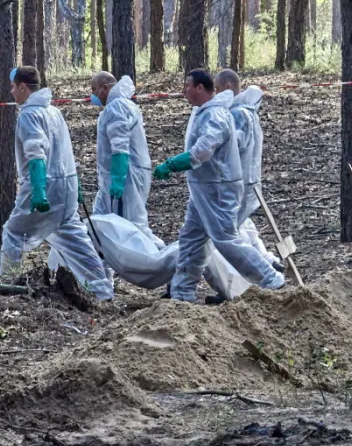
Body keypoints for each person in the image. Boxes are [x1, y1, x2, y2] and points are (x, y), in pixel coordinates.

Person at [153, 68, 285, 301]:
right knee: (191, 239)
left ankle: (271, 279)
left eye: (187, 86)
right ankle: (182, 292)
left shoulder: (216, 115)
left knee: (226, 240)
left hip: (218, 189)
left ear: (200, 88)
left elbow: (203, 150)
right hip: (204, 188)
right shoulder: (207, 112)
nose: (183, 91)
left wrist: (172, 164)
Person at [0, 66, 114, 300]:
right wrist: (76, 186)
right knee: (74, 239)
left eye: (13, 87)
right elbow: (66, 152)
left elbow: (36, 153)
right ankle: (103, 290)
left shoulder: (29, 115)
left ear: (22, 87)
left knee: (13, 231)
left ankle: (4, 283)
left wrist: (39, 190)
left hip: (45, 186)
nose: (11, 92)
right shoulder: (54, 112)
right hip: (66, 188)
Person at [89, 71, 160, 245]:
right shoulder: (122, 105)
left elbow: (120, 146)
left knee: (133, 228)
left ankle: (163, 263)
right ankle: (102, 271)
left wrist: (118, 178)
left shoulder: (116, 107)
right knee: (100, 226)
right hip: (113, 178)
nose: (92, 95)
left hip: (127, 176)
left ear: (105, 88)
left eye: (94, 89)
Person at [224, 77, 281, 269]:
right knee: (244, 225)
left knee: (229, 231)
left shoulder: (238, 114)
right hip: (250, 180)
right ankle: (267, 260)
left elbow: (232, 146)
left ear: (228, 87)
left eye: (217, 87)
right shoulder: (249, 113)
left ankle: (260, 270)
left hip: (239, 180)